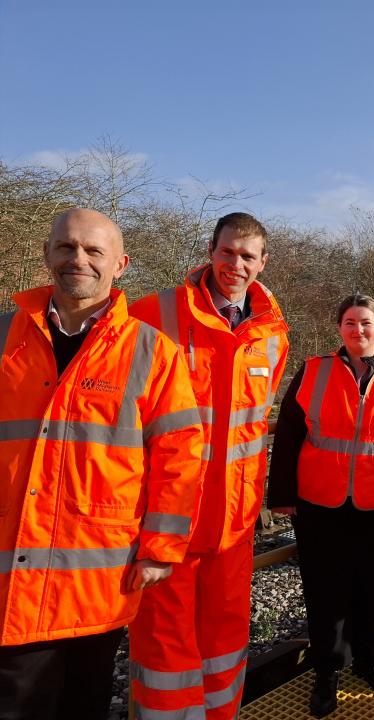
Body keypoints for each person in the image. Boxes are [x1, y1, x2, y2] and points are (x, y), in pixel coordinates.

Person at [0, 208, 203, 720]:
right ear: (46, 254)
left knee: (84, 702)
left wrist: (160, 548)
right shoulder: (4, 338)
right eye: (67, 247)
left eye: (94, 251)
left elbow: (179, 456)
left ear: (120, 265)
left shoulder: (151, 351)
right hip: (13, 570)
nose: (78, 260)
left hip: (98, 578)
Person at [127, 212, 289, 720]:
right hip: (167, 520)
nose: (235, 264)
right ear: (210, 250)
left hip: (235, 525)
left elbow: (254, 424)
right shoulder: (154, 314)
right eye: (227, 252)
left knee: (225, 640)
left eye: (247, 256)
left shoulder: (273, 335)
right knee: (163, 649)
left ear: (262, 263)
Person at [268, 294, 374, 718]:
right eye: (348, 323)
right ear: (338, 328)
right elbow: (288, 435)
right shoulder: (314, 371)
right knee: (324, 589)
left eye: (365, 323)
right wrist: (282, 494)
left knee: (371, 585)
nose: (357, 330)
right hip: (320, 502)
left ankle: (369, 659)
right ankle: (327, 669)